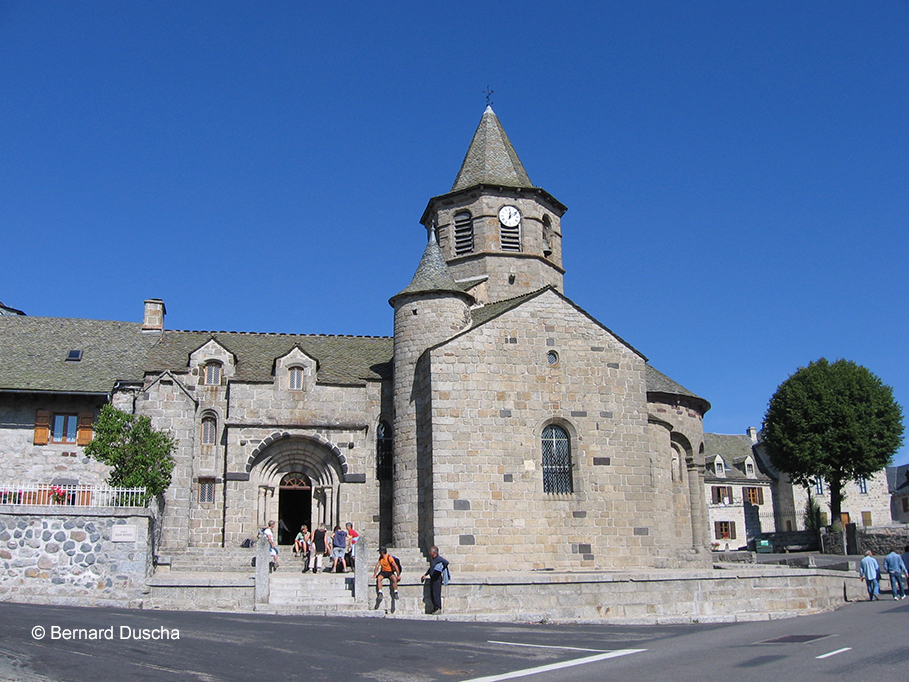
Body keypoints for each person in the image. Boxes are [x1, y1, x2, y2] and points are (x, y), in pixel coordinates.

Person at [420, 545, 450, 614]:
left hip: (437, 578)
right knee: (432, 594)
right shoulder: (433, 560)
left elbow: (446, 562)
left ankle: (438, 608)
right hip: (432, 578)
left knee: (436, 594)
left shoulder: (439, 558)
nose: (429, 552)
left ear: (434, 552)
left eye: (430, 551)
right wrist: (425, 574)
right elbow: (431, 568)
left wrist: (441, 568)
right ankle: (435, 608)